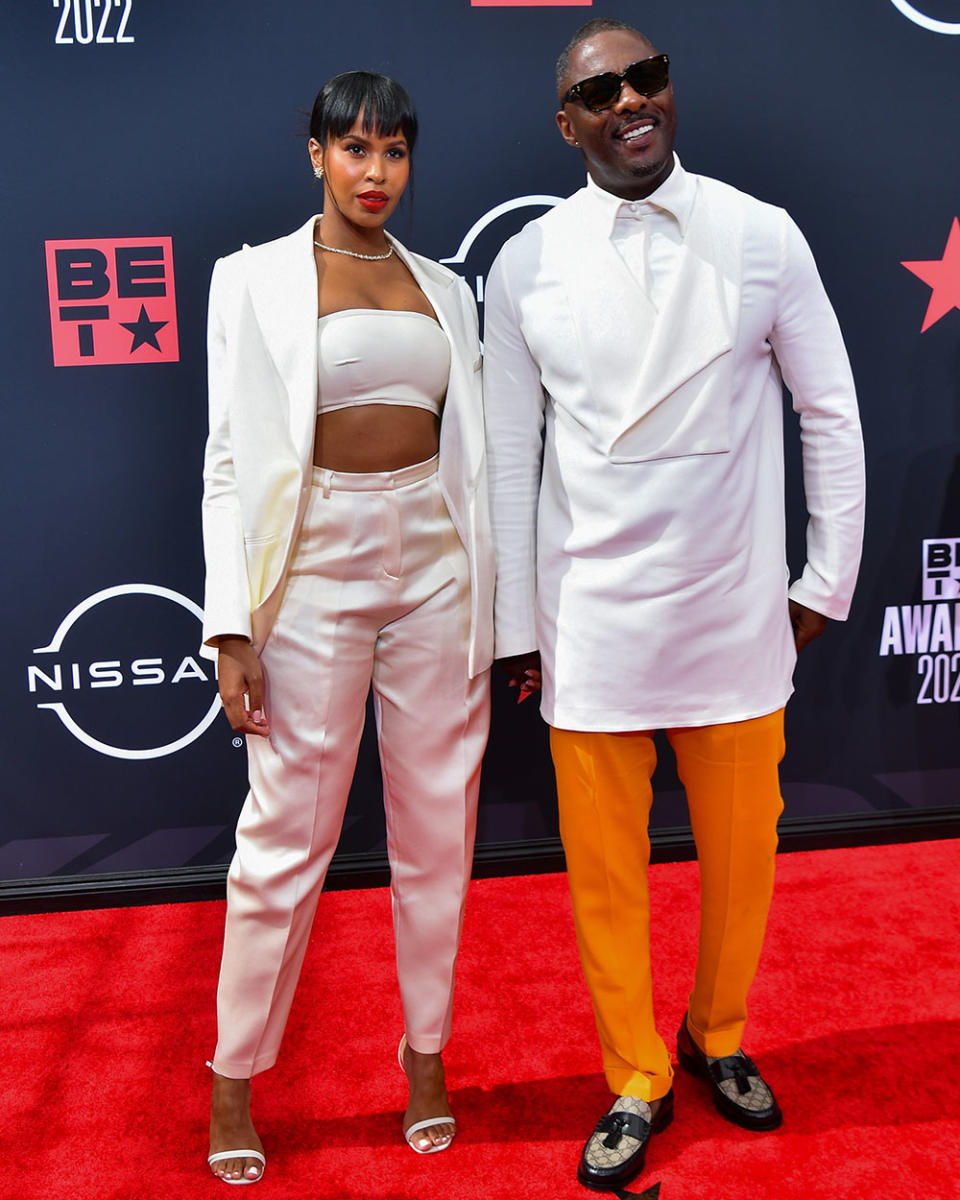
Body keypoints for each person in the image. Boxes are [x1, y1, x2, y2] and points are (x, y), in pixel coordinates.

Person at [482, 17, 865, 1193]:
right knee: (604, 875)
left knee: (743, 858)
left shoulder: (762, 234)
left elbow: (830, 412)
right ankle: (635, 1075)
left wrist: (824, 583)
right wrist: (517, 628)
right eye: (600, 91)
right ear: (568, 121)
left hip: (730, 614)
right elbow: (504, 454)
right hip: (593, 616)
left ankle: (720, 1033)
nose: (628, 103)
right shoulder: (526, 262)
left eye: (645, 79)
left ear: (669, 93)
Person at [199, 70, 494, 1184]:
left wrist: (498, 613)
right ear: (314, 153)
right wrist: (233, 622)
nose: (377, 173)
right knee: (283, 839)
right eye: (355, 148)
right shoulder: (251, 281)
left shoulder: (447, 290)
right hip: (310, 566)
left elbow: (478, 456)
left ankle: (426, 1056)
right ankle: (234, 1074)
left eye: (396, 152)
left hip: (436, 565)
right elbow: (231, 463)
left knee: (437, 835)